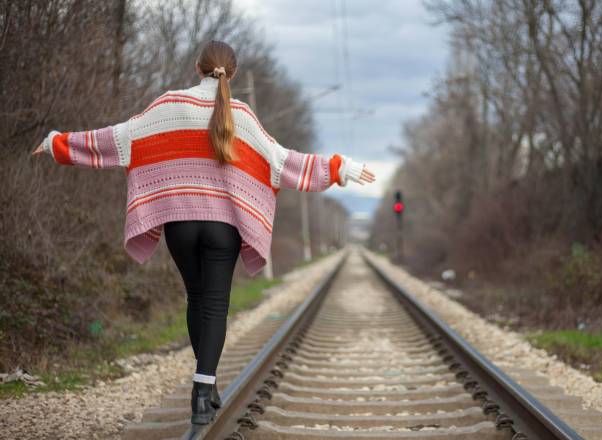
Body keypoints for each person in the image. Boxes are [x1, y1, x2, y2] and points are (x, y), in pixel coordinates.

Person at [31, 40, 375, 425]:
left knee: (196, 298)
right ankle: (202, 389)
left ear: (197, 67)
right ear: (234, 73)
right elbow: (284, 163)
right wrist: (338, 168)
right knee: (214, 304)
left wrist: (58, 144)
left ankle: (206, 383)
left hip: (180, 224)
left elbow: (115, 140)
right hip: (223, 226)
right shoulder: (242, 116)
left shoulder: (167, 106)